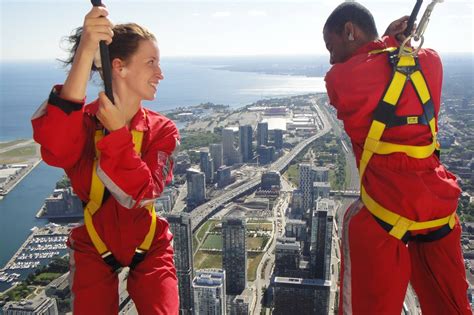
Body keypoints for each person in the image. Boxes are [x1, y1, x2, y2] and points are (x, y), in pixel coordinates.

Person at [323, 3, 471, 314]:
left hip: (386, 210)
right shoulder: (431, 62)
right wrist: (390, 43)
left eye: (332, 46)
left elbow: (363, 77)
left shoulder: (342, 80)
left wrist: (384, 44)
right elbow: (392, 70)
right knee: (450, 304)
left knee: (354, 223)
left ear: (349, 31)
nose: (331, 58)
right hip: (437, 205)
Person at [31, 6, 179, 314]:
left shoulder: (162, 130)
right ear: (120, 67)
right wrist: (85, 54)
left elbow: (143, 193)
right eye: (151, 62)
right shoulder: (82, 124)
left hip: (150, 244)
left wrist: (116, 133)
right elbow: (56, 150)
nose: (160, 73)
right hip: (93, 248)